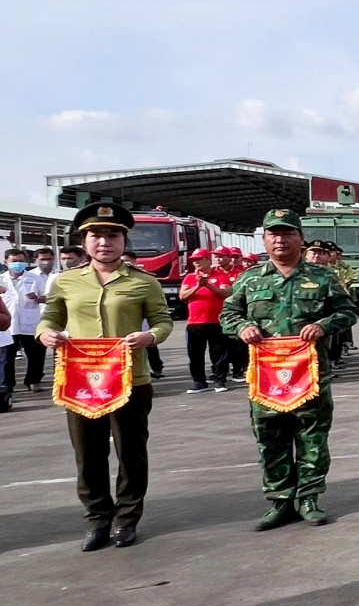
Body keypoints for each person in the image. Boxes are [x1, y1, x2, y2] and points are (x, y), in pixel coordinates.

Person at [36, 202, 172, 551]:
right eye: (96, 235)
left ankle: (127, 519)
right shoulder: (66, 281)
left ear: (124, 241)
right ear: (85, 241)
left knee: (130, 452)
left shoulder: (144, 283)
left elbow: (163, 321)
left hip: (130, 380)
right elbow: (50, 317)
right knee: (88, 453)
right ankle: (97, 519)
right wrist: (45, 333)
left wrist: (150, 337)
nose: (104, 242)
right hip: (80, 382)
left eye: (113, 235)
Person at [221, 210, 359, 530]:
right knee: (270, 436)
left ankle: (309, 498)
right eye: (273, 234)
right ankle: (281, 499)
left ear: (300, 238)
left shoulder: (323, 277)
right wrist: (242, 327)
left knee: (312, 436)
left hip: (310, 374)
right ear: (265, 239)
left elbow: (348, 312)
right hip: (266, 376)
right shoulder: (250, 279)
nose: (280, 239)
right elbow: (228, 314)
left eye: (286, 233)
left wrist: (324, 325)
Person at [178, 248, 232, 394]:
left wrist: (207, 284)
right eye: (194, 260)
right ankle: (199, 382)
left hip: (216, 322)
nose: (196, 263)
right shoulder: (190, 277)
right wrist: (198, 286)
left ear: (208, 260)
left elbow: (225, 293)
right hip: (195, 323)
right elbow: (183, 296)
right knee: (195, 355)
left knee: (219, 354)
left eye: (199, 259)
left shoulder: (220, 276)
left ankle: (220, 381)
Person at [2, 248, 47, 393]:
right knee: (6, 357)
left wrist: (38, 298)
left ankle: (33, 380)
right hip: (8, 325)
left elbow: (47, 297)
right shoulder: (1, 280)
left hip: (31, 322)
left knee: (35, 354)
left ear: (26, 262)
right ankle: (7, 385)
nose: (18, 264)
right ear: (5, 262)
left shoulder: (35, 279)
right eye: (14, 261)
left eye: (21, 261)